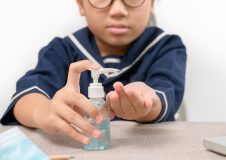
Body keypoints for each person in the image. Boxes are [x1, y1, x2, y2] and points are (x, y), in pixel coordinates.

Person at [0, 0, 186, 144]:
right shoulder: (61, 50)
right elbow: (28, 95)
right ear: (81, 4)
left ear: (151, 3)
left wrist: (147, 103)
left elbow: (166, 94)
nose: (118, 10)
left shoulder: (166, 47)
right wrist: (44, 111)